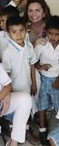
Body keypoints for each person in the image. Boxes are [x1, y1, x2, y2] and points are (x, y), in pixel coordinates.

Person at [2, 16, 40, 145]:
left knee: (27, 108)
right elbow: (5, 74)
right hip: (14, 87)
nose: (18, 34)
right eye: (14, 31)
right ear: (8, 33)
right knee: (15, 112)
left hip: (27, 84)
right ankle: (11, 133)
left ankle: (25, 130)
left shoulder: (28, 45)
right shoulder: (8, 51)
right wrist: (8, 91)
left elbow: (32, 64)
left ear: (26, 30)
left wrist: (34, 83)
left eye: (21, 30)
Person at [34, 16, 59, 146]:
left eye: (57, 34)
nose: (53, 37)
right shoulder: (42, 45)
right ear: (46, 32)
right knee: (42, 104)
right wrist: (40, 66)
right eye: (50, 33)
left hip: (57, 80)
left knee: (58, 104)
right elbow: (33, 61)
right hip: (43, 79)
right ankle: (42, 129)